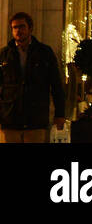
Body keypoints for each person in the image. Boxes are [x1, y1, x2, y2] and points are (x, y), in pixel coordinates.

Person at [1, 12, 67, 143]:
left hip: (35, 119)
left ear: (30, 28)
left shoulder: (44, 53)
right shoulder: (4, 55)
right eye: (15, 27)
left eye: (21, 26)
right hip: (10, 118)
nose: (18, 31)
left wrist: (60, 114)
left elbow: (56, 85)